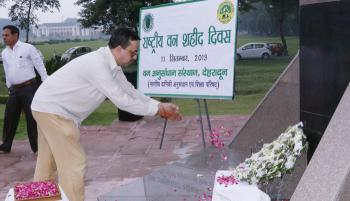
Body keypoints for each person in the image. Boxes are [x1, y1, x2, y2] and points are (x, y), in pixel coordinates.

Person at [31, 27, 182, 201]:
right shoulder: (98, 64)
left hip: (44, 106)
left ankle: (37, 199)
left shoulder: (112, 65)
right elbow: (122, 100)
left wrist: (159, 105)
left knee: (47, 164)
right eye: (133, 52)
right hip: (54, 111)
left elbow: (130, 91)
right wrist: (158, 111)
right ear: (119, 49)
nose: (135, 57)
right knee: (74, 164)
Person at [0, 25, 48, 153]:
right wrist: (10, 85)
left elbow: (39, 63)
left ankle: (37, 148)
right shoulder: (4, 53)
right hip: (14, 90)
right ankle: (5, 145)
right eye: (3, 35)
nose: (4, 38)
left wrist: (45, 80)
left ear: (15, 35)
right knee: (10, 117)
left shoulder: (27, 48)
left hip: (29, 88)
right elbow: (7, 69)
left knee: (31, 118)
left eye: (7, 35)